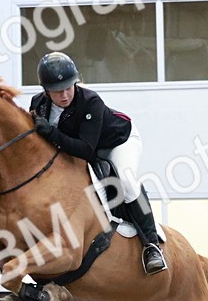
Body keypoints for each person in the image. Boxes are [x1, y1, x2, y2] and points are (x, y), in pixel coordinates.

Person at [28, 52, 168, 275]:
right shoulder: (38, 104)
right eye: (57, 91)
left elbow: (85, 149)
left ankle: (152, 246)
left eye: (68, 87)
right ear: (46, 91)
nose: (65, 95)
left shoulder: (90, 101)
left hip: (118, 142)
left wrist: (52, 134)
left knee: (126, 180)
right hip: (83, 149)